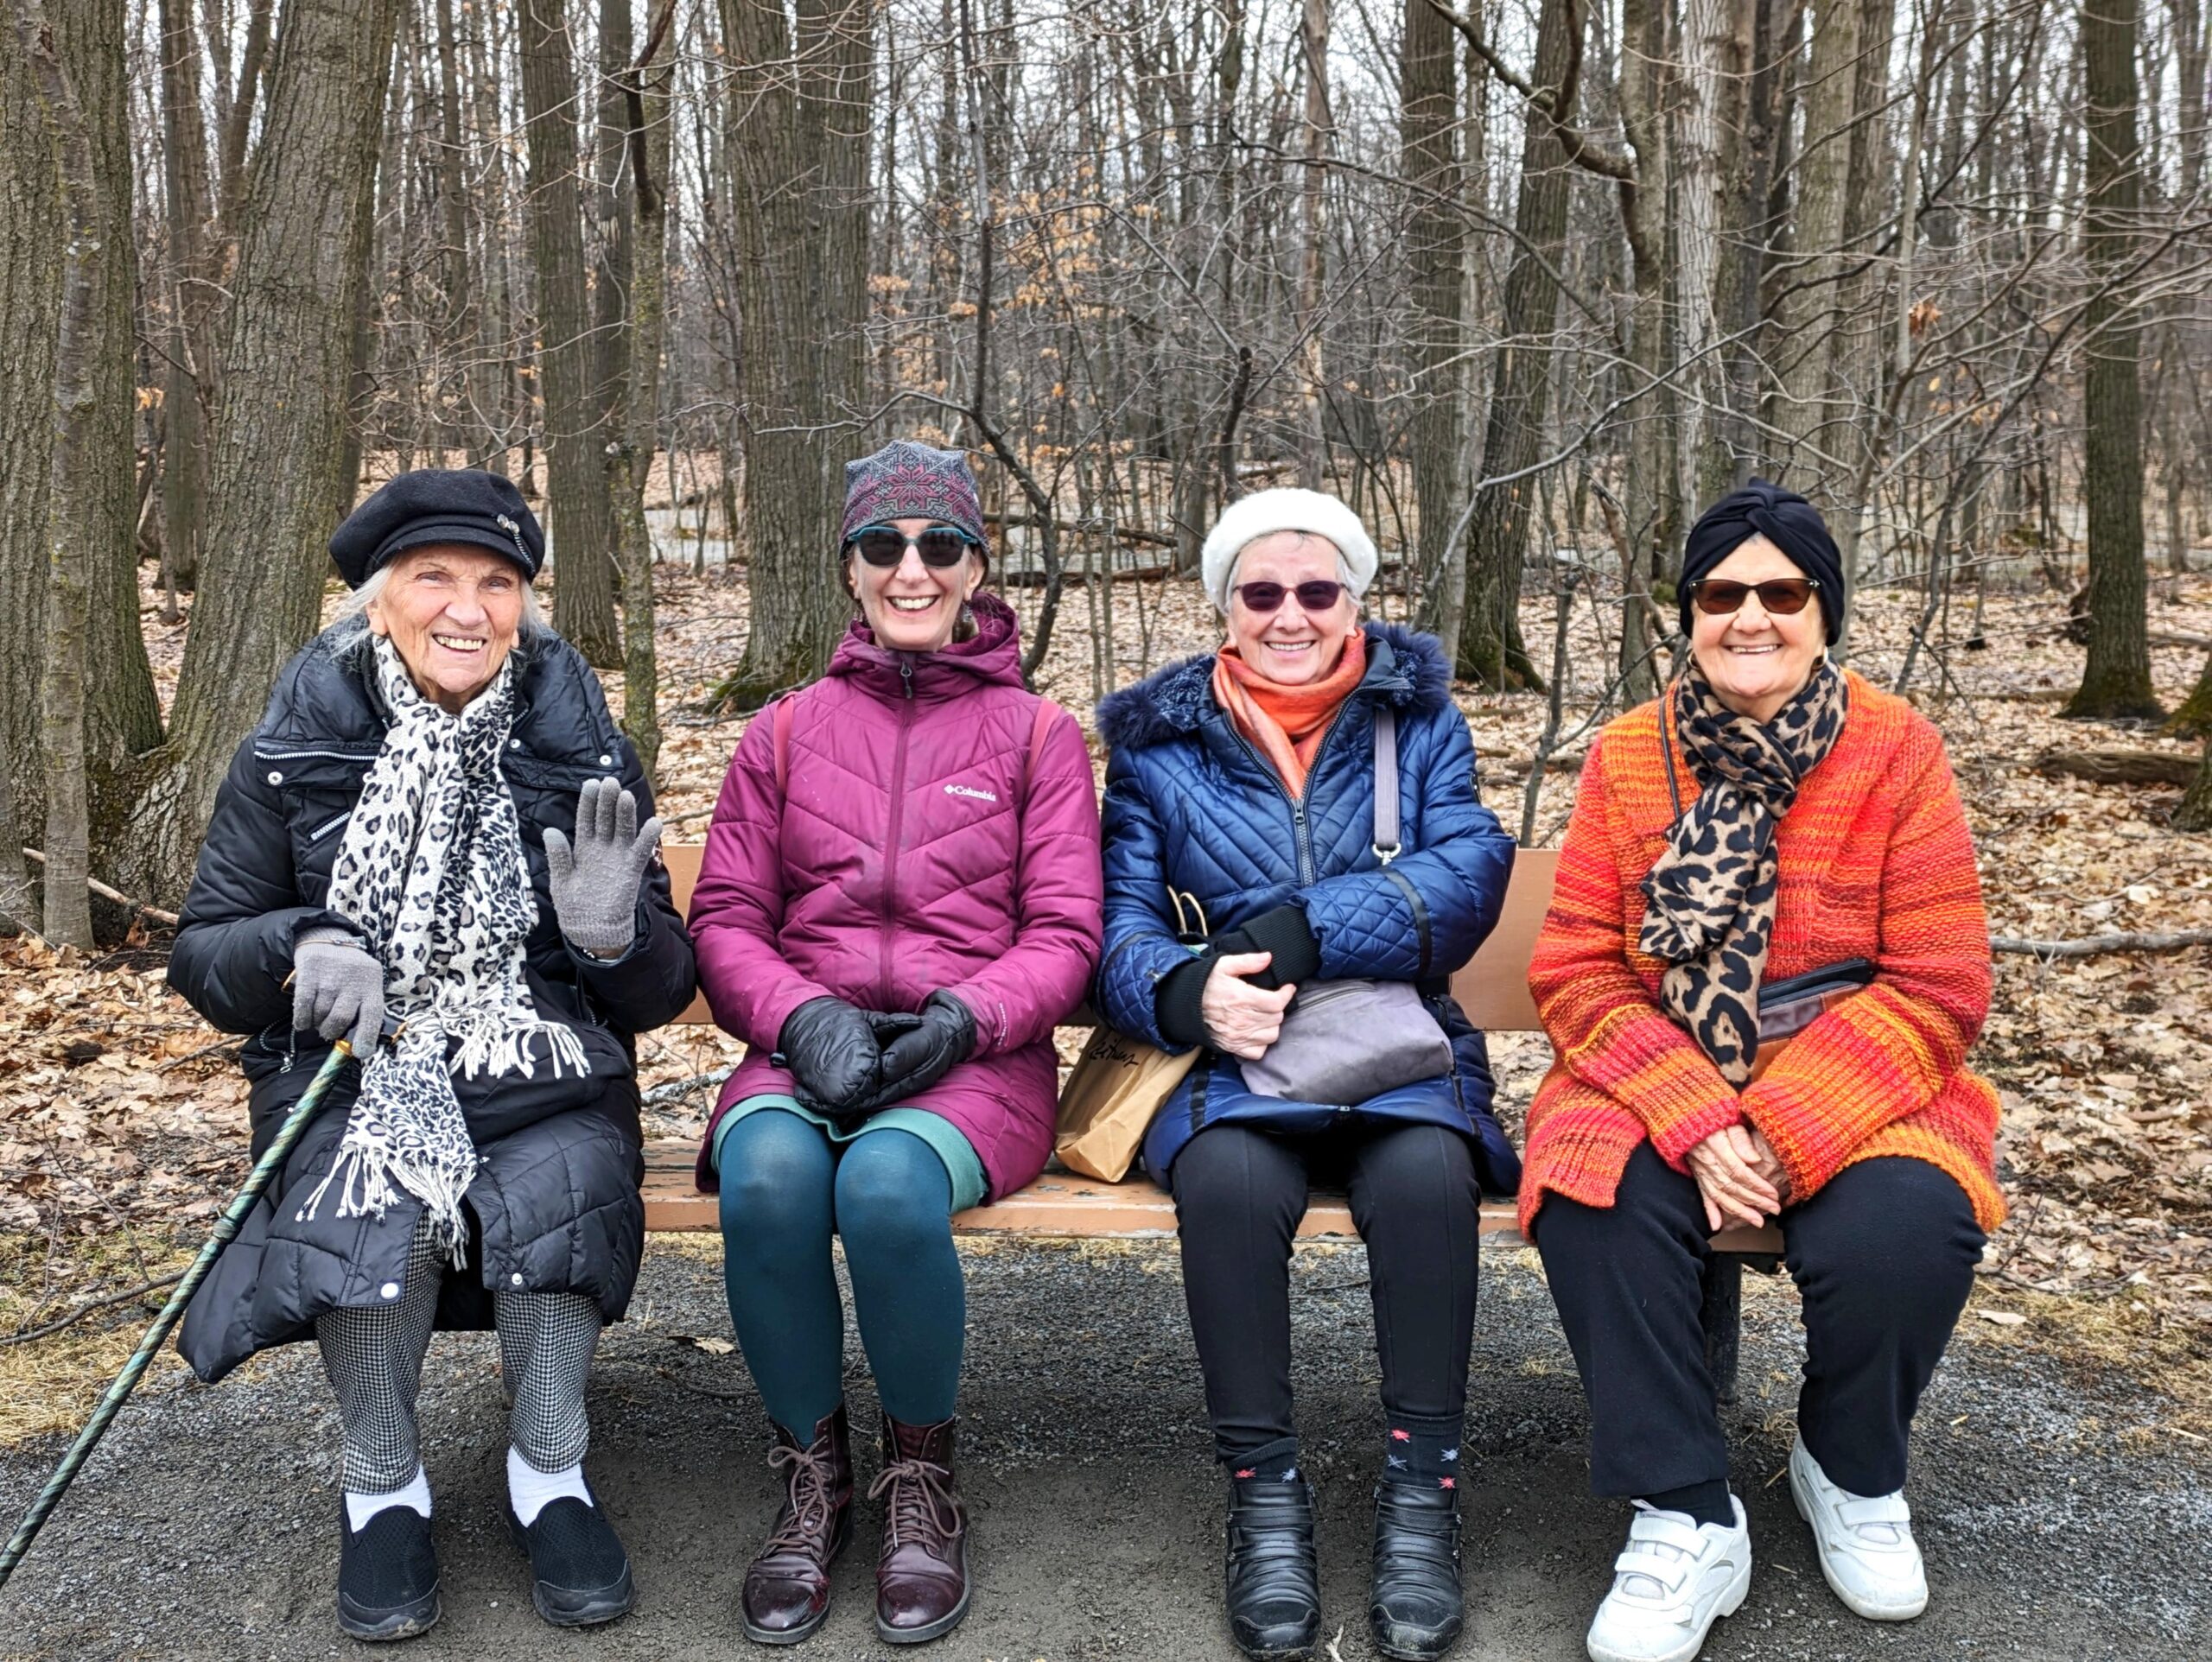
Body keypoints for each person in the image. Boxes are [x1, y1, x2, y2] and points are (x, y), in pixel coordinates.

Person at [168, 469, 697, 1642]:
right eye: (434, 579)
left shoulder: (581, 748)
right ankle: (382, 1483)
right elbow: (205, 952)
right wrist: (298, 944)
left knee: (561, 1180)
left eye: (497, 584)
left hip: (542, 1064)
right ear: (379, 599)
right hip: (354, 1069)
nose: (467, 609)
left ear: (525, 606)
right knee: (370, 1195)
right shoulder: (293, 750)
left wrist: (611, 938)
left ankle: (550, 1470)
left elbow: (662, 989)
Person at [1522, 479, 2004, 1662]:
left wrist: (1783, 1127)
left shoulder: (1897, 750)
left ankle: (1850, 1465)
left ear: (1823, 610)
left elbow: (1940, 982)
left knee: (1908, 1227)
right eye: (1721, 593)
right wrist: (1696, 1115)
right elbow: (1576, 968)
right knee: (1593, 1196)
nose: (1750, 616)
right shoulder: (1631, 754)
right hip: (1653, 1064)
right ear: (1689, 612)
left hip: (1863, 1075)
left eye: (1782, 593)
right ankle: (1686, 1509)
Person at [688, 439, 1103, 1647]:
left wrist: (968, 1017)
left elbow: (1067, 932)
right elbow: (726, 918)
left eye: (939, 545)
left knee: (882, 1185)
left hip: (972, 1059)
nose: (910, 569)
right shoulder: (783, 732)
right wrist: (799, 1017)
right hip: (804, 1043)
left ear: (977, 566)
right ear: (850, 568)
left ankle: (922, 1476)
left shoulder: (1037, 736)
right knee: (767, 1180)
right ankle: (812, 1473)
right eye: (883, 544)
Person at [1093, 489, 1516, 1662]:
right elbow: (1116, 924)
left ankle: (1422, 1491)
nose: (1291, 614)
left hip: (1398, 1051)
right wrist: (1189, 992)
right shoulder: (1159, 745)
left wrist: (1300, 931)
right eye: (1263, 591)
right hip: (1237, 1063)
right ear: (1224, 606)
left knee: (1428, 1181)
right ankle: (1265, 1495)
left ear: (1355, 601)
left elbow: (1470, 875)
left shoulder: (1417, 719)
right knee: (1226, 1186)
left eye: (1318, 590)